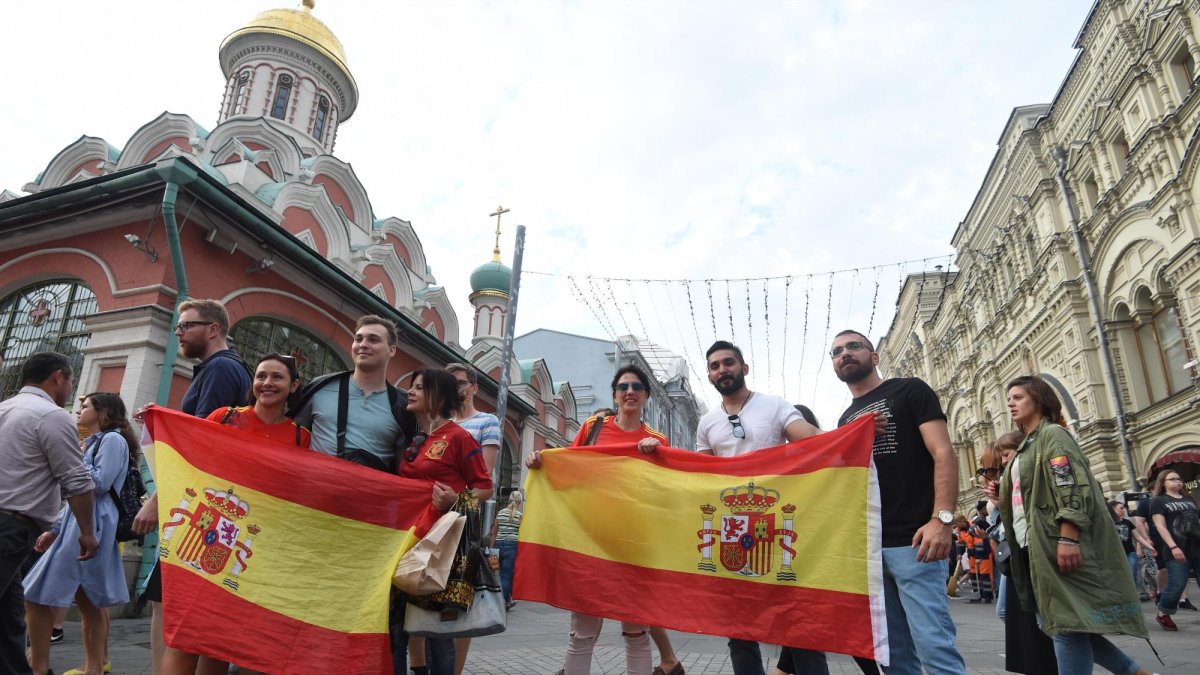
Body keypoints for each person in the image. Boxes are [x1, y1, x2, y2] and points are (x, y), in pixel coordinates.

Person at [830, 330, 966, 675]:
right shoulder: (845, 420)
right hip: (871, 551)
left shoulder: (910, 390)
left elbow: (944, 452)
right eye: (836, 351)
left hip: (916, 542)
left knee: (934, 649)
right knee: (893, 658)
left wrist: (942, 520)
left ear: (874, 357)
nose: (845, 354)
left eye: (854, 346)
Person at [527, 365, 674, 675]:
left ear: (645, 395)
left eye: (636, 386)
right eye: (623, 387)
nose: (629, 391)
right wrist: (542, 462)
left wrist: (658, 456)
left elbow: (667, 495)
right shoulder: (594, 427)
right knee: (581, 633)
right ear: (615, 395)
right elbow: (569, 467)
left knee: (636, 633)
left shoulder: (657, 439)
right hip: (589, 542)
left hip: (634, 547)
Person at [998, 375, 1151, 674]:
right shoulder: (1030, 442)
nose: (1010, 403)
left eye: (1018, 397)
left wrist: (1068, 538)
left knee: (1065, 626)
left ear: (1038, 399)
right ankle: (1134, 672)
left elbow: (1069, 484)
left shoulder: (1053, 435)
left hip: (1055, 543)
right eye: (1009, 398)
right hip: (1035, 545)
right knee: (1057, 624)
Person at [132, 298, 252, 675]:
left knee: (167, 602)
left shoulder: (219, 369)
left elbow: (201, 445)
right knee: (206, 610)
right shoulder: (227, 370)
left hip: (203, 506)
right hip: (218, 504)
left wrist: (158, 498)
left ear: (213, 329)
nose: (178, 333)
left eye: (186, 326)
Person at [696, 341, 826, 675]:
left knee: (799, 624)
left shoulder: (774, 406)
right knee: (739, 630)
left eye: (728, 362)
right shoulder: (708, 422)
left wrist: (855, 434)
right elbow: (702, 476)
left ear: (744, 367)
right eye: (715, 366)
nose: (722, 370)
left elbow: (812, 439)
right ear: (709, 375)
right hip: (732, 531)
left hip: (779, 524)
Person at [25, 393, 138, 675]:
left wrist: (76, 459)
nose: (78, 410)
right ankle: (90, 668)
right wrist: (55, 529)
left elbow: (98, 483)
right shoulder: (98, 441)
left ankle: (40, 664)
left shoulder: (112, 440)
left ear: (103, 411)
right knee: (87, 601)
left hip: (92, 523)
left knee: (39, 593)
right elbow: (79, 491)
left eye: (85, 406)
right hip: (82, 522)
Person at [0, 352, 98, 675]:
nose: (72, 390)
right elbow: (77, 480)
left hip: (11, 528)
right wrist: (87, 531)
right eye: (71, 381)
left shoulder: (5, 408)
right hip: (11, 527)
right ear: (58, 377)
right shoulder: (52, 416)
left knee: (9, 621)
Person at [395, 368, 493, 675]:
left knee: (438, 634)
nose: (411, 392)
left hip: (440, 548)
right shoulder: (420, 438)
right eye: (412, 387)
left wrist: (456, 499)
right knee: (399, 627)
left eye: (420, 388)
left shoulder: (460, 437)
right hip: (405, 543)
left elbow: (485, 487)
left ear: (440, 398)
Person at [291, 315, 418, 471]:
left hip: (367, 493)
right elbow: (291, 437)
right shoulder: (322, 386)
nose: (363, 345)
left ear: (391, 350)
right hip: (311, 490)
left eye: (373, 340)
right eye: (358, 339)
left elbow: (404, 469)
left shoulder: (403, 405)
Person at [980, 431, 1058, 675]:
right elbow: (1007, 525)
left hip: (1032, 552)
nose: (1002, 464)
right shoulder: (1010, 483)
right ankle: (1046, 655)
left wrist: (1068, 541)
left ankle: (1052, 656)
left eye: (1004, 456)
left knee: (1050, 622)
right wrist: (997, 503)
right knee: (1012, 613)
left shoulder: (1043, 458)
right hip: (1015, 554)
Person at [442, 363, 503, 675]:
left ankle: (455, 670)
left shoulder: (486, 422)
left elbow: (484, 474)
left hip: (466, 518)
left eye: (461, 383)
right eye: (449, 384)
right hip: (434, 517)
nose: (455, 389)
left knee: (460, 598)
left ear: (474, 388)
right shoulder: (437, 422)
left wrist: (453, 496)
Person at [206, 353, 311, 447]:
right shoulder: (223, 417)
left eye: (277, 377)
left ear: (294, 385)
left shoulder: (301, 438)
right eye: (261, 376)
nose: (267, 383)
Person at [1150, 469, 1200, 631]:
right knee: (1177, 583)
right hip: (1176, 547)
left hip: (1196, 545)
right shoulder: (1159, 501)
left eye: (1179, 479)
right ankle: (1163, 613)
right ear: (1163, 482)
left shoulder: (1189, 499)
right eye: (1172, 479)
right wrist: (1173, 546)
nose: (1178, 481)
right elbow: (1160, 525)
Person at [491, 490, 522, 610]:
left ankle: (506, 599)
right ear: (519, 502)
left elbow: (494, 532)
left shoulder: (500, 513)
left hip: (498, 545)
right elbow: (522, 533)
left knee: (496, 574)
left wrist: (491, 547)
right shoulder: (519, 516)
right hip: (512, 547)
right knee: (506, 576)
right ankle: (503, 602)